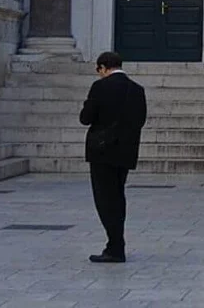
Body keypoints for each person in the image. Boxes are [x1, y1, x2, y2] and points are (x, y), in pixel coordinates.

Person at [79, 51, 147, 263]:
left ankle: (115, 246)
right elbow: (140, 120)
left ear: (103, 67)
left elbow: (86, 118)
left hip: (102, 151)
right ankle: (116, 242)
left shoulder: (100, 87)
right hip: (125, 151)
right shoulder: (137, 90)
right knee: (118, 197)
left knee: (105, 199)